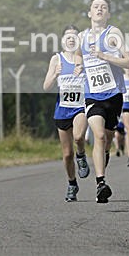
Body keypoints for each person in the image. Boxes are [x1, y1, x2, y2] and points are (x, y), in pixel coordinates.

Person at [79, 0, 129, 203]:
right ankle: (100, 183)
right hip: (92, 95)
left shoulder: (113, 34)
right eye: (96, 6)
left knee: (108, 142)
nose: (99, 9)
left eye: (103, 7)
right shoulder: (82, 37)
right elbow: (77, 58)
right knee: (99, 136)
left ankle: (103, 162)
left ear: (108, 14)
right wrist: (77, 67)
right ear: (89, 13)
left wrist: (105, 56)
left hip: (114, 94)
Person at [43, 25, 90, 202]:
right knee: (67, 154)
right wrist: (55, 74)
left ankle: (82, 155)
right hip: (63, 109)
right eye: (68, 36)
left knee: (78, 137)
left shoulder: (84, 58)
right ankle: (72, 184)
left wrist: (84, 70)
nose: (71, 39)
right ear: (63, 40)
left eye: (74, 36)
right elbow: (46, 86)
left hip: (80, 107)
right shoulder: (57, 59)